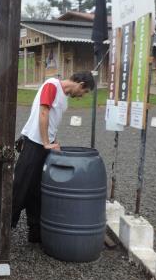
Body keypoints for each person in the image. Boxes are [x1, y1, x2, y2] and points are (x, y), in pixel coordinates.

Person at [11, 71, 95, 243]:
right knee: (19, 188)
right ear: (81, 84)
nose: (82, 96)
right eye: (85, 92)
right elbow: (43, 113)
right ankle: (1, 230)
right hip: (33, 143)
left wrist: (53, 141)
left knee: (37, 190)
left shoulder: (64, 98)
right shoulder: (52, 85)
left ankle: (35, 232)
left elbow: (52, 122)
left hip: (43, 145)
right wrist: (45, 142)